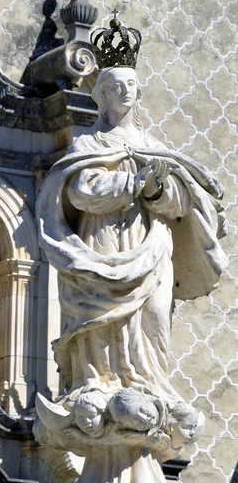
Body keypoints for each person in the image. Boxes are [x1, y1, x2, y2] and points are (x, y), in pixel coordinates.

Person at [37, 64, 228, 409]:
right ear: (101, 94)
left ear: (139, 94)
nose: (125, 91)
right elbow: (81, 192)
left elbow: (182, 203)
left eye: (131, 86)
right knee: (99, 317)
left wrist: (156, 191)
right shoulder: (87, 144)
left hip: (151, 246)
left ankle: (150, 383)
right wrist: (132, 184)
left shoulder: (154, 148)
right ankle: (96, 382)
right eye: (116, 86)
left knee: (153, 317)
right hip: (102, 241)